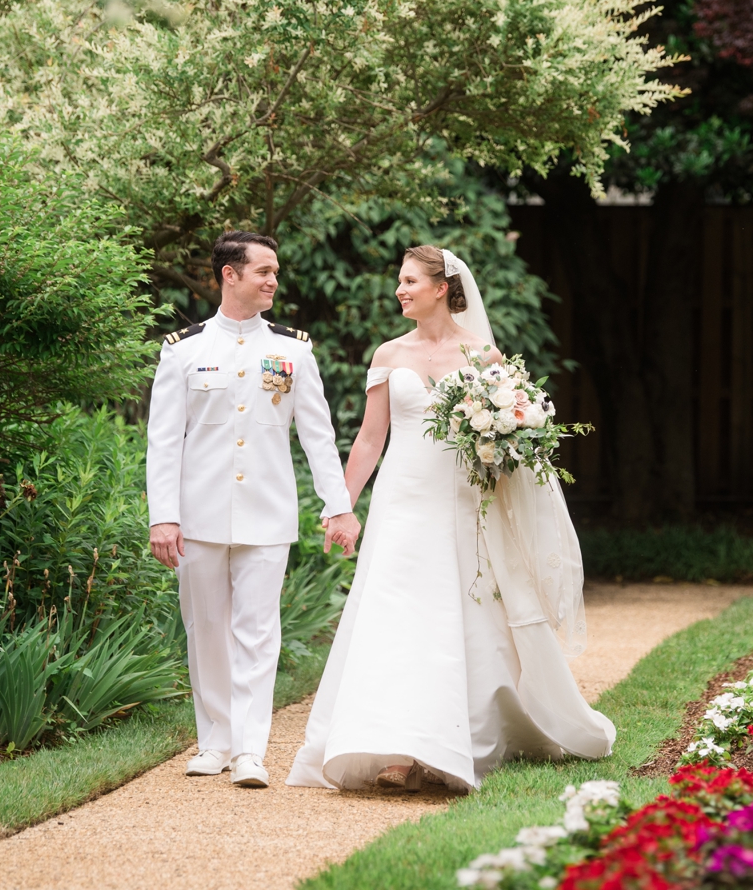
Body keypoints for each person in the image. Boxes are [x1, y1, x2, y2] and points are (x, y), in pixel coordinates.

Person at [286, 245, 614, 792]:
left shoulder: (484, 357)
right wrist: (342, 505)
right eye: (399, 280)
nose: (400, 290)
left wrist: (507, 440)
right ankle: (395, 745)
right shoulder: (389, 354)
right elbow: (370, 439)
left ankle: (452, 738)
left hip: (465, 503)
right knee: (395, 615)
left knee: (458, 617)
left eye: (410, 280)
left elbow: (516, 431)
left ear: (443, 288)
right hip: (402, 500)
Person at [147, 230, 361, 788]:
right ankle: (214, 741)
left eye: (275, 271)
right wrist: (162, 516)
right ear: (229, 275)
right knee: (206, 629)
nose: (273, 280)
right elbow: (164, 442)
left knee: (258, 633)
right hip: (197, 516)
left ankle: (249, 750)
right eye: (263, 271)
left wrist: (337, 507)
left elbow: (318, 435)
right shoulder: (183, 350)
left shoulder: (293, 350)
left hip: (267, 514)